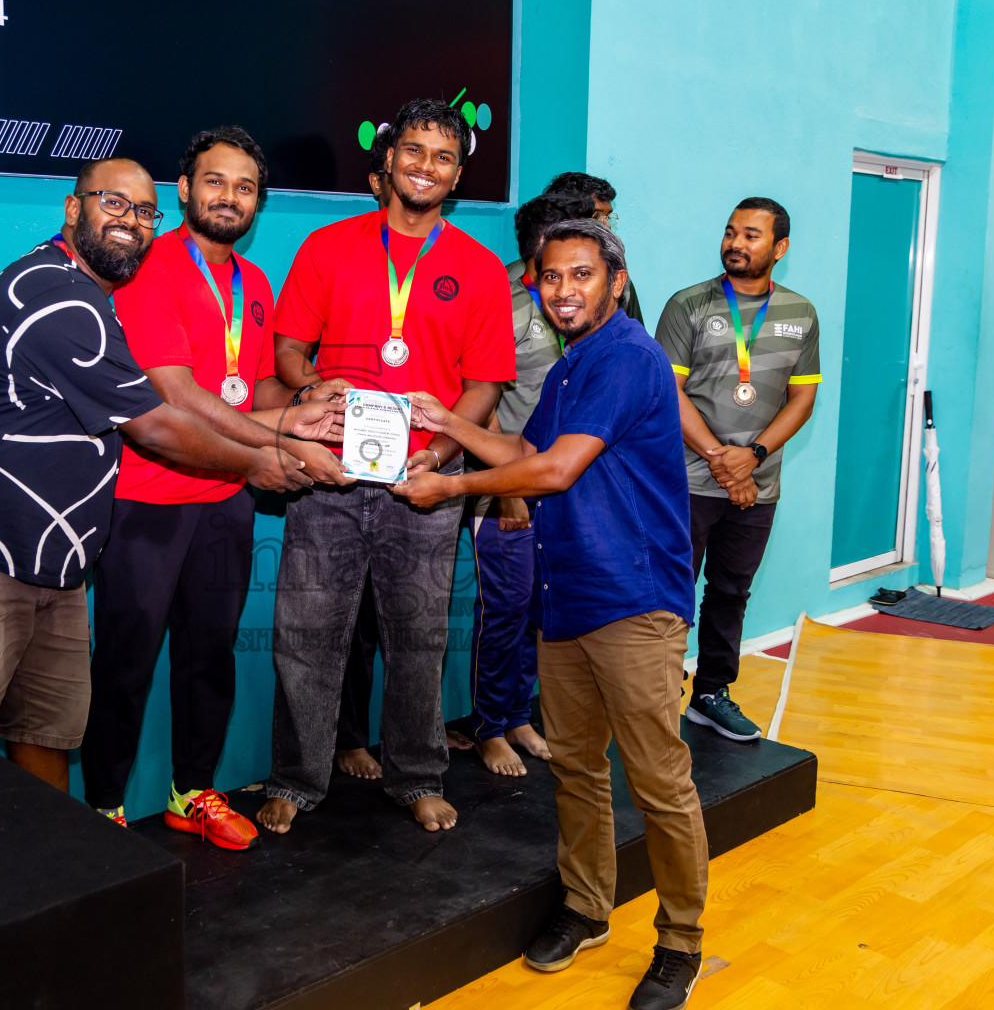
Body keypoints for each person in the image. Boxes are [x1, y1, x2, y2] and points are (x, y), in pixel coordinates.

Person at [0, 158, 311, 792]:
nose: (131, 222)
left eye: (143, 212)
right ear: (72, 207)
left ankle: (66, 869)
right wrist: (261, 460)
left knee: (44, 730)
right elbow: (155, 423)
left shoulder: (95, 294)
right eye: (114, 203)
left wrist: (306, 408)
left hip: (52, 558)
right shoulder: (59, 294)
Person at [395, 219, 708, 1010]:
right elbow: (519, 454)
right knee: (575, 766)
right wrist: (447, 423)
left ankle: (681, 942)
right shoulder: (573, 366)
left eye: (581, 275)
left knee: (659, 781)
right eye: (551, 278)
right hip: (566, 595)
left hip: (636, 600)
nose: (564, 290)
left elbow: (557, 471)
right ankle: (586, 905)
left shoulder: (630, 357)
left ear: (616, 280)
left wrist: (449, 487)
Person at [79, 129, 350, 848]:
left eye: (244, 187)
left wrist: (307, 398)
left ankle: (189, 793)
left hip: (224, 508)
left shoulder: (253, 284)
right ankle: (103, 806)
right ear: (184, 190)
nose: (228, 197)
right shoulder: (150, 269)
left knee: (209, 658)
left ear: (257, 202)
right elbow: (174, 391)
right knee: (125, 665)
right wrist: (278, 439)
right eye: (215, 181)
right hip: (145, 502)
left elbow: (250, 383)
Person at [258, 97, 515, 834]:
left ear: (457, 173)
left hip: (424, 486)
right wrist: (310, 388)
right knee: (305, 637)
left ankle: (418, 776)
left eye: (441, 157)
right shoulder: (327, 247)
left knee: (418, 641)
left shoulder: (478, 270)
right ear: (388, 161)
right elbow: (287, 351)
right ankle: (296, 778)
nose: (424, 167)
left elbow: (486, 379)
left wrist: (442, 450)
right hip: (328, 478)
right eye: (413, 152)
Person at [654, 197, 820, 743]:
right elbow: (667, 392)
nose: (735, 243)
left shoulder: (800, 313)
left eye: (751, 235)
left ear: (780, 248)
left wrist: (752, 459)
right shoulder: (689, 305)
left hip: (757, 485)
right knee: (670, 591)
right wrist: (721, 460)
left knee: (731, 592)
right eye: (730, 232)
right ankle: (656, 696)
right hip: (688, 480)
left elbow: (800, 400)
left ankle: (711, 693)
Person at [466, 190, 594, 777]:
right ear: (540, 250)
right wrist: (507, 486)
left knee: (541, 612)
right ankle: (490, 725)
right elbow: (485, 400)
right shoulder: (505, 308)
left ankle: (519, 715)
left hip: (565, 490)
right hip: (509, 487)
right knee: (506, 610)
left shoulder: (581, 313)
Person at [335, 122, 396, 782]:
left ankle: (414, 752)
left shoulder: (456, 260)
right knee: (345, 621)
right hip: (345, 464)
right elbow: (294, 354)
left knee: (411, 626)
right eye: (383, 175)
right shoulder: (336, 250)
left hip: (422, 468)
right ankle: (348, 738)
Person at [544, 171, 643, 323]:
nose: (607, 225)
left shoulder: (618, 279)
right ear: (564, 217)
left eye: (608, 216)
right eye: (596, 216)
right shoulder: (522, 280)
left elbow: (634, 337)